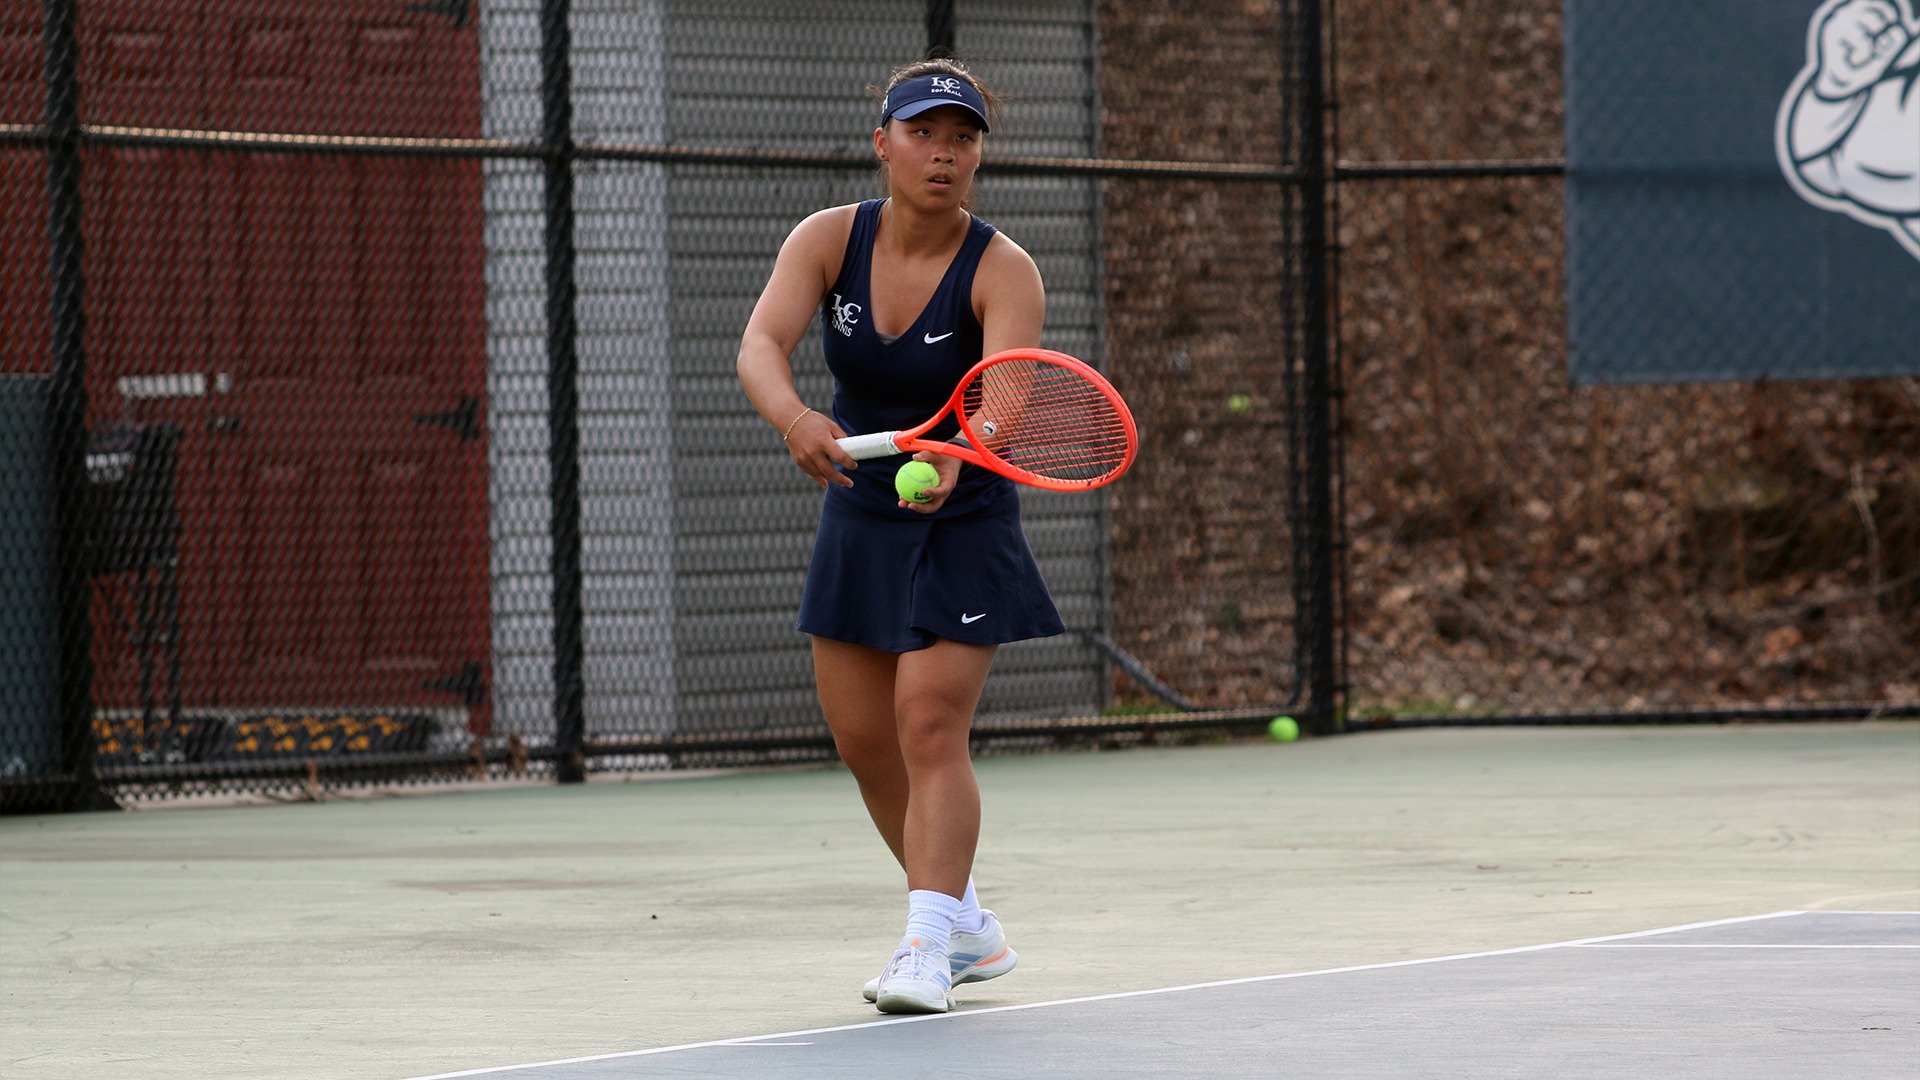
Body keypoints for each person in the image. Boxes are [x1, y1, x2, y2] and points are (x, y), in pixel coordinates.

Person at [735, 55, 1064, 1015]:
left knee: (927, 723)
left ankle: (925, 949)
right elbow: (761, 345)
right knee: (865, 741)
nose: (943, 154)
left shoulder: (1004, 269)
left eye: (962, 138)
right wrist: (796, 418)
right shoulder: (827, 240)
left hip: (965, 516)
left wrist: (964, 449)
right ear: (883, 143)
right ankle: (967, 923)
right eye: (923, 134)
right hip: (861, 506)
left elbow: (1006, 394)